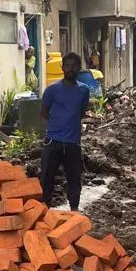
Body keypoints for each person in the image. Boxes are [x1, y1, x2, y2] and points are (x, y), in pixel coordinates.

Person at [39, 51, 90, 211]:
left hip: (73, 143)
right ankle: (44, 210)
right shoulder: (52, 90)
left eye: (74, 66)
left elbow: (81, 112)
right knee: (47, 177)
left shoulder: (84, 91)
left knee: (74, 178)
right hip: (53, 140)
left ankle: (74, 210)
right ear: (62, 68)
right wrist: (57, 125)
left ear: (79, 68)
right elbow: (43, 111)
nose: (71, 69)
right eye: (68, 66)